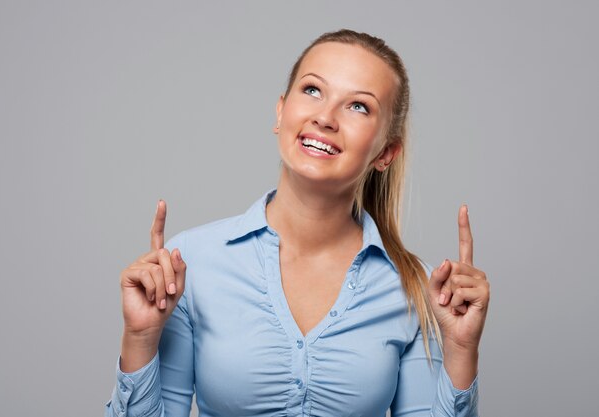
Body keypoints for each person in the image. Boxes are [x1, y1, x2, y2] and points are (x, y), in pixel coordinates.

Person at [105, 29, 490, 417]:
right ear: (280, 111)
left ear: (386, 153)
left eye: (358, 106)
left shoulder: (417, 288)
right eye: (312, 90)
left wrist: (460, 352)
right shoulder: (190, 263)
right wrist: (140, 338)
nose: (324, 117)